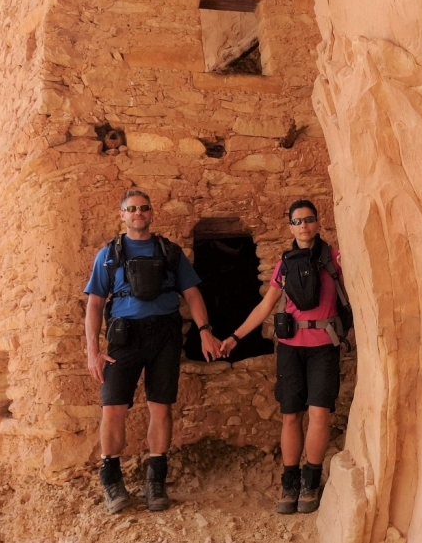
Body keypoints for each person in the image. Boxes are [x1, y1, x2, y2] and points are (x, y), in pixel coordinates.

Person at [84, 189, 221, 514]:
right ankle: (112, 479)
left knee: (161, 408)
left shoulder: (169, 252)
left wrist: (205, 331)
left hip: (164, 336)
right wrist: (92, 348)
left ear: (151, 213)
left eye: (143, 208)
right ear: (122, 215)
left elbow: (192, 293)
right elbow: (94, 302)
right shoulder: (109, 254)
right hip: (124, 339)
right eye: (131, 209)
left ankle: (155, 480)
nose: (138, 213)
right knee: (113, 408)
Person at [219, 199, 344, 514]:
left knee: (319, 413)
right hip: (290, 346)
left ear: (318, 223)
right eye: (298, 221)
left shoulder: (334, 259)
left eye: (309, 219)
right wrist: (236, 336)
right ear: (290, 227)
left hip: (323, 346)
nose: (304, 226)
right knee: (291, 415)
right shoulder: (285, 264)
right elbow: (265, 307)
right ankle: (290, 481)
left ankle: (310, 481)